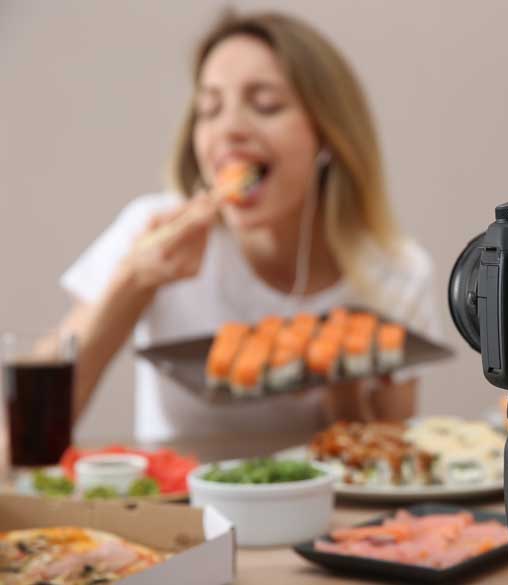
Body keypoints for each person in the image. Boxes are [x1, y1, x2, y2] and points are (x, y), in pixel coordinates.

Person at [47, 10, 443, 444]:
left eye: (266, 104)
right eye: (209, 109)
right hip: (180, 508)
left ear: (327, 135)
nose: (229, 129)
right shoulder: (151, 230)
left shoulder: (396, 273)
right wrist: (134, 278)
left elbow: (391, 468)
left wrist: (342, 379)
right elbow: (30, 425)